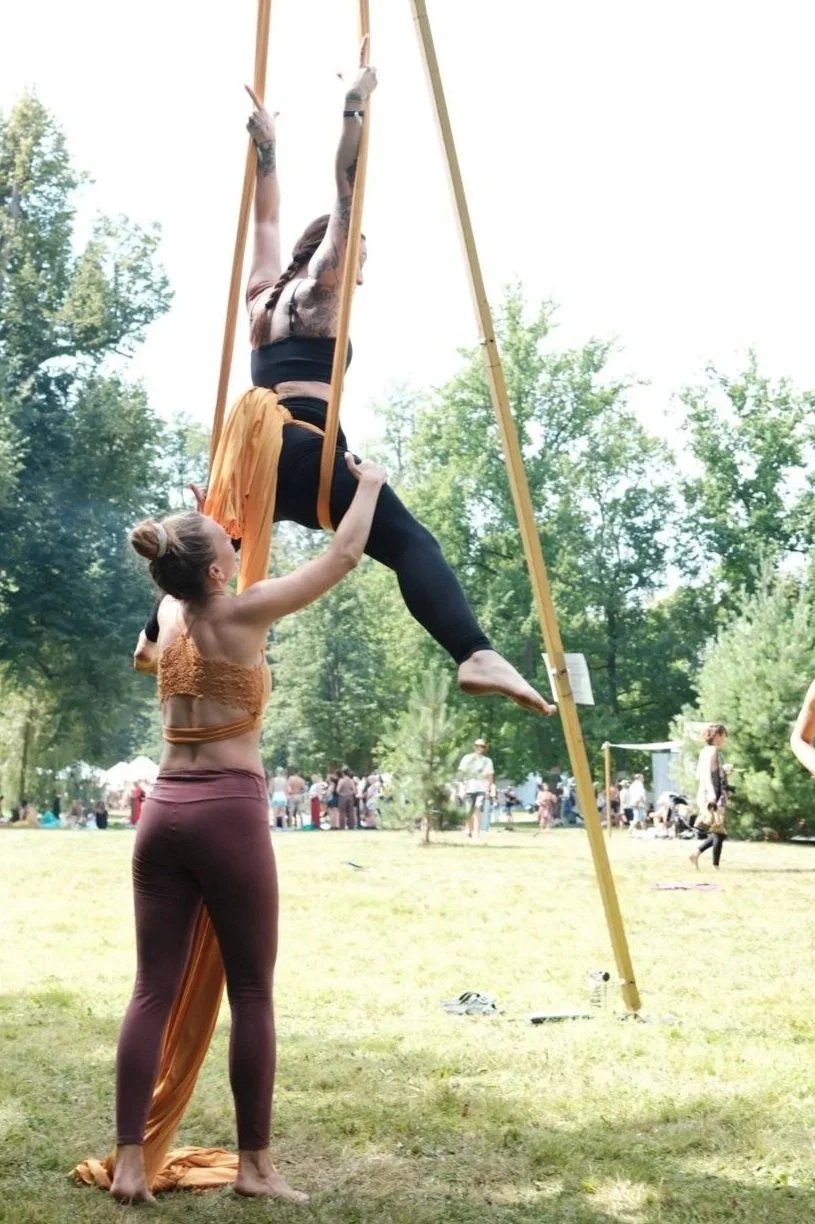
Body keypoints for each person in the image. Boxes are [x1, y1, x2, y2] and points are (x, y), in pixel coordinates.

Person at [239, 55, 555, 722]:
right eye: (360, 263)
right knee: (410, 543)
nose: (358, 278)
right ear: (340, 254)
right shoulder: (324, 287)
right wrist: (354, 109)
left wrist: (266, 149)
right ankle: (472, 651)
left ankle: (156, 634)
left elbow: (265, 222)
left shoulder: (262, 298)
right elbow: (345, 188)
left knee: (204, 548)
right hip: (307, 454)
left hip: (253, 470)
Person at [114, 450, 387, 1205]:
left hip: (161, 814)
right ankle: (256, 1167)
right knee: (253, 994)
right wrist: (367, 487)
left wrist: (193, 540)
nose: (236, 544)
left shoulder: (170, 616)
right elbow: (343, 554)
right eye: (224, 544)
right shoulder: (242, 610)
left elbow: (143, 657)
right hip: (227, 813)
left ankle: (131, 1163)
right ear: (211, 573)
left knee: (150, 992)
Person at [690, 723, 728, 870]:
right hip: (712, 794)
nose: (724, 739)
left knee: (718, 830)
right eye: (723, 735)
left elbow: (702, 774)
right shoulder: (713, 751)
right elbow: (707, 775)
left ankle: (697, 855)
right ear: (716, 736)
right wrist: (713, 795)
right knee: (718, 830)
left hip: (708, 792)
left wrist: (723, 772)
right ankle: (713, 865)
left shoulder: (705, 751)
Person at [457, 739, 494, 840]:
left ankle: (476, 834)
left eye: (482, 746)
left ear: (484, 748)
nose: (479, 748)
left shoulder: (487, 761)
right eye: (478, 746)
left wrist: (489, 790)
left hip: (482, 788)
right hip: (469, 787)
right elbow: (461, 772)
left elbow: (490, 776)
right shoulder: (467, 758)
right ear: (474, 747)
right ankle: (469, 829)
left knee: (477, 808)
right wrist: (461, 785)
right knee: (468, 810)